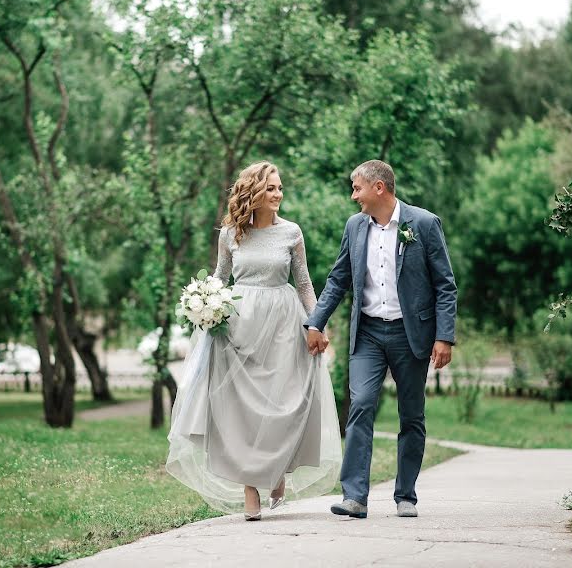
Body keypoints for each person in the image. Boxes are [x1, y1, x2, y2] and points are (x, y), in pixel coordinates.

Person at [166, 161, 342, 521]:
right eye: (272, 188)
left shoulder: (292, 232)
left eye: (280, 188)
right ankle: (251, 487)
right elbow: (220, 277)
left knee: (284, 404)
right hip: (240, 325)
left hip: (283, 324)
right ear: (254, 192)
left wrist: (317, 324)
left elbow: (305, 284)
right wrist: (204, 304)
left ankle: (276, 472)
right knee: (242, 411)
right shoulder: (231, 234)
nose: (278, 194)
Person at [305, 159, 457, 519]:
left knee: (412, 416)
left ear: (379, 188)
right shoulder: (355, 227)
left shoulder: (423, 223)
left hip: (411, 334)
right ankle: (354, 497)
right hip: (369, 333)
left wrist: (444, 336)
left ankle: (406, 495)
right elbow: (339, 279)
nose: (352, 195)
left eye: (357, 187)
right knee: (361, 406)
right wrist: (315, 323)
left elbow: (445, 285)